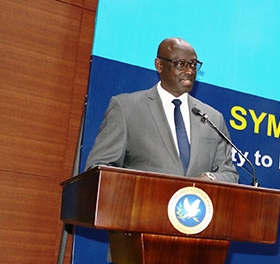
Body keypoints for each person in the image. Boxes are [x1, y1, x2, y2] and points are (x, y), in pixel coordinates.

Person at [85, 37, 238, 183]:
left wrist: (210, 178)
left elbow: (229, 174)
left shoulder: (213, 118)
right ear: (159, 65)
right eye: (181, 64)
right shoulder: (126, 108)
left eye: (193, 64)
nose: (190, 71)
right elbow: (99, 167)